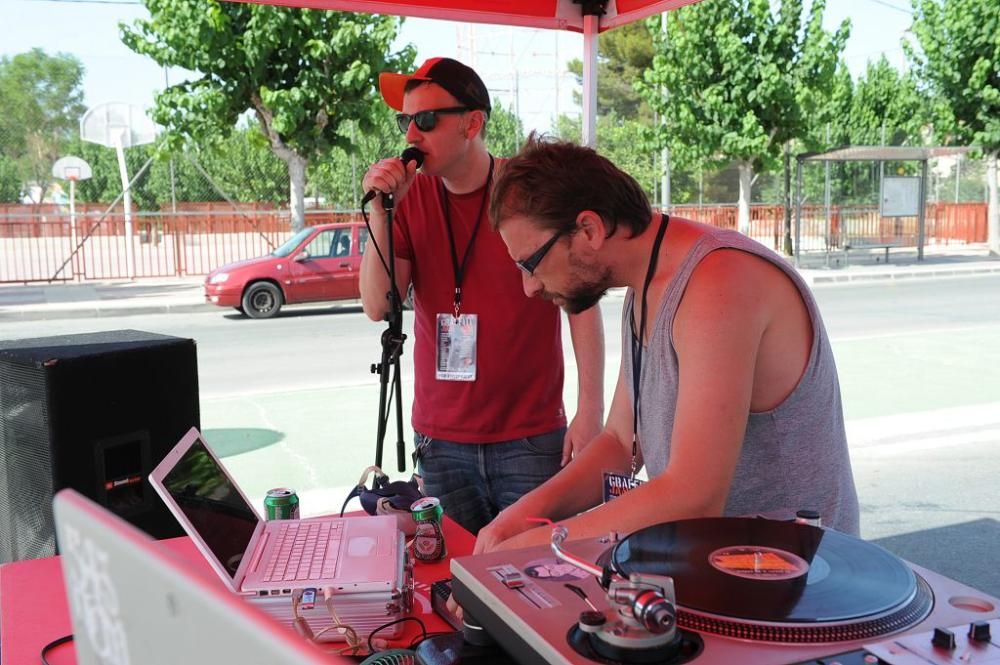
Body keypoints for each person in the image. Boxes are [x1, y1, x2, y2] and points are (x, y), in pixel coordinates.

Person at [475, 134, 860, 554]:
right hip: (718, 570)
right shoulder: (641, 286)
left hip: (796, 583)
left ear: (589, 229)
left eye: (530, 264)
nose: (529, 288)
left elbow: (694, 495)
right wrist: (516, 520)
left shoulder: (718, 282)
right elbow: (622, 443)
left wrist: (542, 542)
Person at [358, 59, 606, 535]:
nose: (411, 134)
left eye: (425, 120)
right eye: (404, 121)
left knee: (533, 578)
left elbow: (581, 300)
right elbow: (378, 305)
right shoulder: (408, 200)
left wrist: (591, 409)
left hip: (531, 439)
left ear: (473, 123)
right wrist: (379, 212)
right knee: (451, 580)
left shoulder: (528, 190)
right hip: (441, 440)